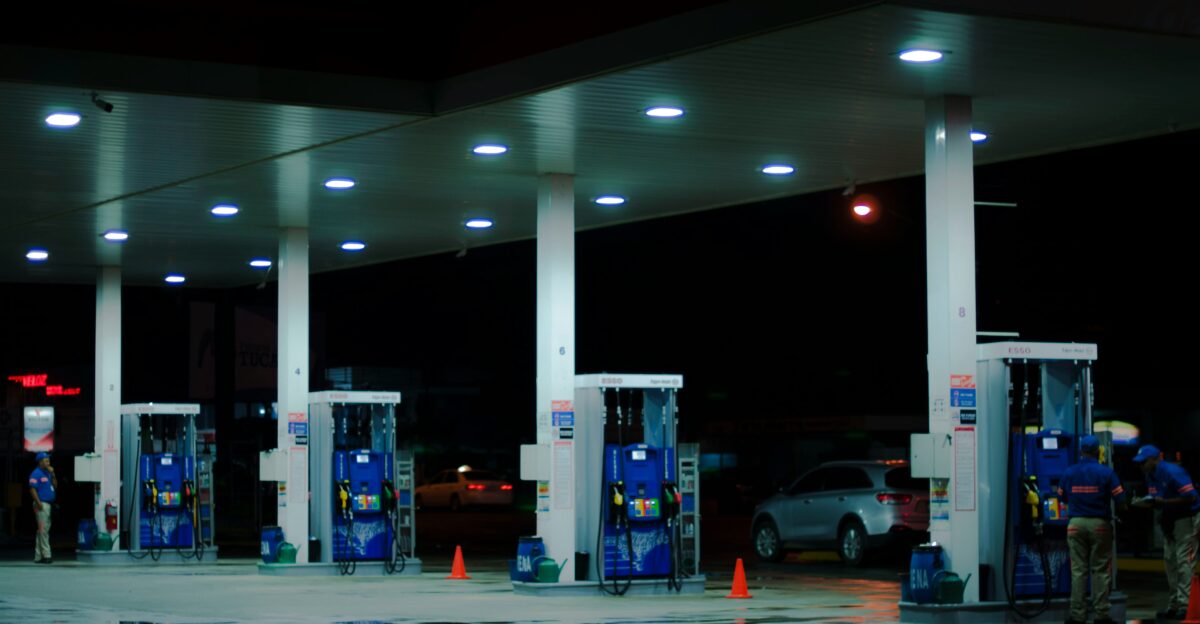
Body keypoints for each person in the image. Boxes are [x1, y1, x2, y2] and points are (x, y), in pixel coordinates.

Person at [1058, 435, 1126, 624]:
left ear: (1081, 451)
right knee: (1100, 570)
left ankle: (1077, 615)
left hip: (1075, 524)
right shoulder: (1106, 472)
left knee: (1078, 571)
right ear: (1098, 451)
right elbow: (1120, 499)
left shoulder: (1069, 472)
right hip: (1099, 525)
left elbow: (1061, 497)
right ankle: (1101, 615)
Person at [1132, 444, 1200, 621]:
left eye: (1144, 462)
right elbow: (1158, 499)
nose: (1141, 466)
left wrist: (1163, 502)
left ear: (1156, 459)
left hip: (1187, 517)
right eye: (1139, 463)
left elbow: (1191, 497)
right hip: (1169, 519)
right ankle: (1174, 605)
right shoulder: (1150, 475)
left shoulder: (1172, 471)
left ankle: (1185, 605)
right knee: (1170, 561)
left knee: (1184, 561)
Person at [28, 451, 57, 564]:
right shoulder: (36, 473)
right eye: (46, 460)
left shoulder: (48, 473)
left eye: (48, 460)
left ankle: (38, 556)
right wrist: (38, 502)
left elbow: (55, 485)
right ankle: (46, 555)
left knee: (42, 530)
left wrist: (53, 474)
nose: (48, 462)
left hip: (48, 505)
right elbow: (32, 489)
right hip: (42, 505)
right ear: (40, 462)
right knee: (43, 530)